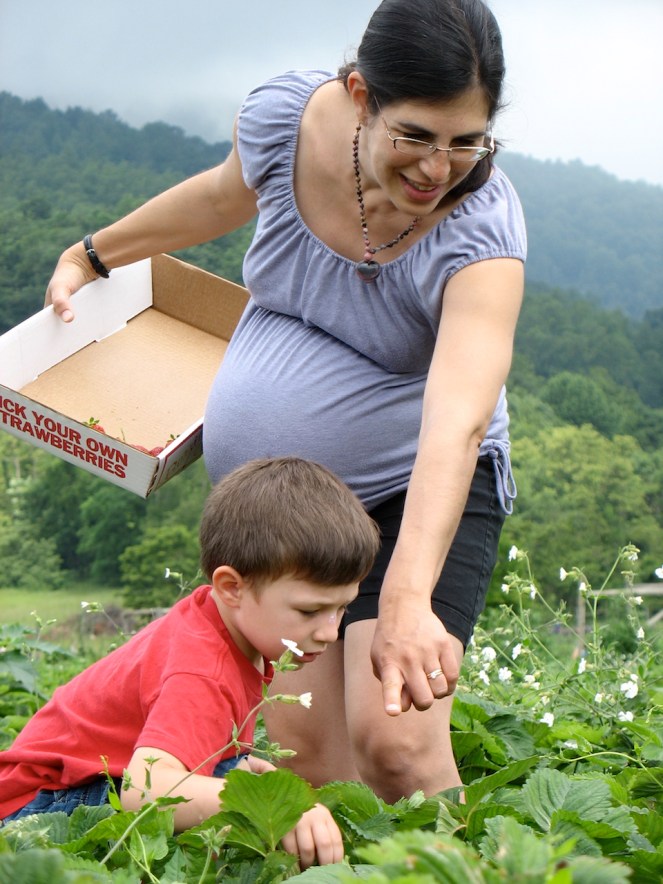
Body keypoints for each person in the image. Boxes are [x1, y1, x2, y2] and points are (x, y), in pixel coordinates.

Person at [42, 0, 526, 803]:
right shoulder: (285, 118)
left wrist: (407, 600)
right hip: (288, 508)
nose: (438, 168)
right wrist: (94, 254)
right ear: (360, 93)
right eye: (415, 136)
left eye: (467, 142)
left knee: (397, 746)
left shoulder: (479, 231)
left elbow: (457, 419)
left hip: (413, 486)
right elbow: (218, 198)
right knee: (307, 763)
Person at [0, 457, 380, 869]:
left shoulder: (220, 622)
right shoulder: (203, 669)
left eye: (342, 608)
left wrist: (232, 763)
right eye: (310, 611)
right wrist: (274, 806)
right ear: (231, 587)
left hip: (72, 784)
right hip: (33, 810)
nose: (330, 631)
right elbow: (143, 790)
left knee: (231, 776)